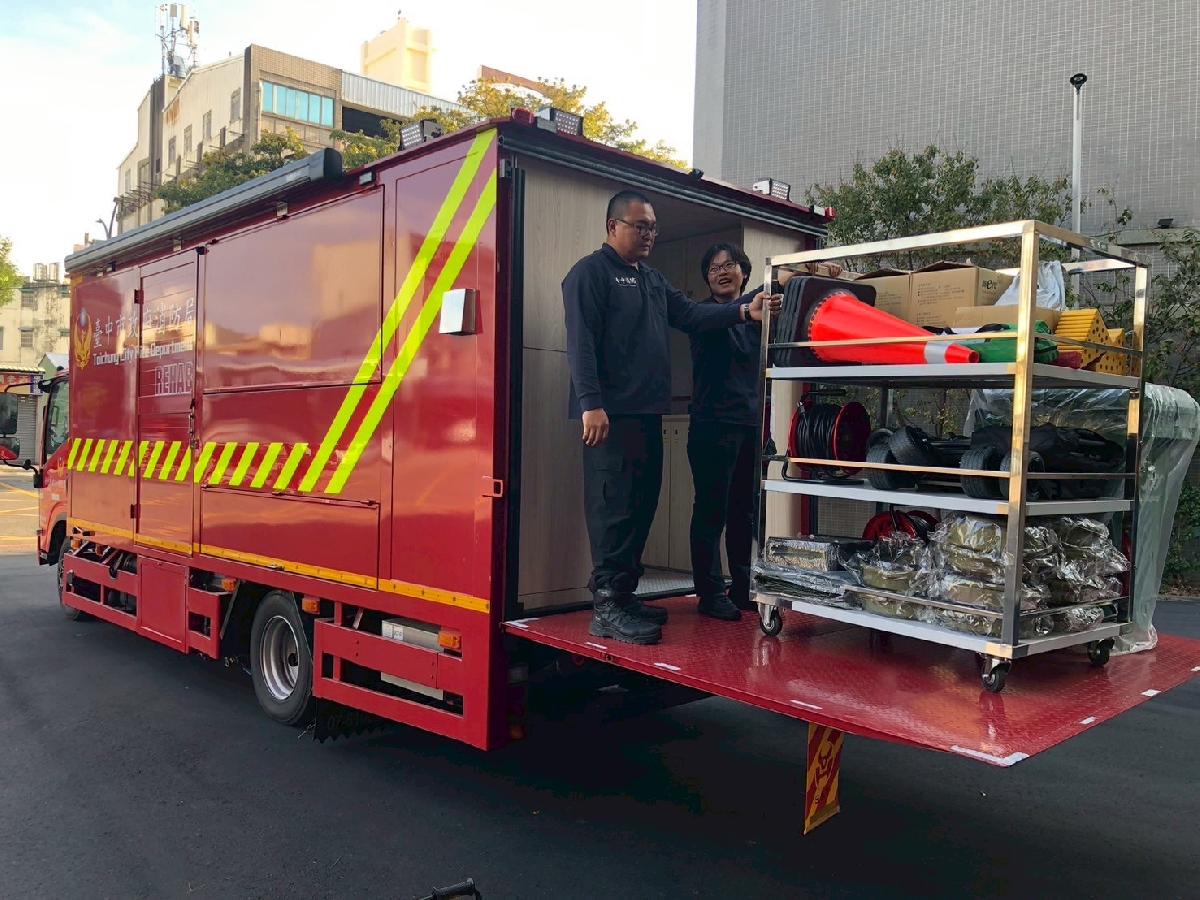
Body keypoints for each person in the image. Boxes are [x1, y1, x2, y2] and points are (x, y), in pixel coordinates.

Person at [563, 190, 780, 645]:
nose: (648, 235)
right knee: (614, 508)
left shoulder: (652, 280)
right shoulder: (590, 273)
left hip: (647, 414)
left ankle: (624, 595)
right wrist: (590, 403)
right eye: (639, 226)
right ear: (613, 226)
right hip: (610, 416)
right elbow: (580, 342)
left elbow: (693, 314)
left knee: (641, 505)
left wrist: (744, 310)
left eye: (653, 228)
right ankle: (607, 607)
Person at [685, 243, 769, 622]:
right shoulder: (702, 314)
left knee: (743, 513)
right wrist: (745, 310)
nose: (721, 272)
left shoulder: (756, 312)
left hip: (748, 426)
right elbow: (720, 315)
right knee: (710, 511)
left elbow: (778, 283)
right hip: (711, 427)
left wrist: (820, 270)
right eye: (713, 268)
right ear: (707, 278)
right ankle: (709, 593)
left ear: (743, 273)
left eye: (728, 265)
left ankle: (742, 587)